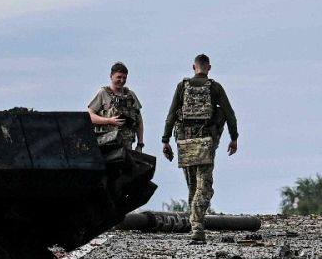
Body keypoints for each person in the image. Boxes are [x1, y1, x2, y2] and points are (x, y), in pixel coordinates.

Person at [161, 53, 238, 243]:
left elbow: (171, 115)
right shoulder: (215, 87)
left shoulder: (182, 86)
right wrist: (234, 138)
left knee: (192, 186)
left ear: (193, 67)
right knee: (204, 186)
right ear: (209, 68)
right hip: (206, 141)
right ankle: (197, 227)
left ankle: (195, 226)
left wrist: (165, 140)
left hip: (185, 141)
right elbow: (229, 114)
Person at [87, 61, 144, 151]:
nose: (121, 80)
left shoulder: (131, 95)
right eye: (119, 77)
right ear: (111, 76)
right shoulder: (103, 93)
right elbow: (90, 116)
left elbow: (139, 121)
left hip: (127, 146)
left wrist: (140, 144)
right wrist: (109, 120)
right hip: (106, 145)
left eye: (124, 78)